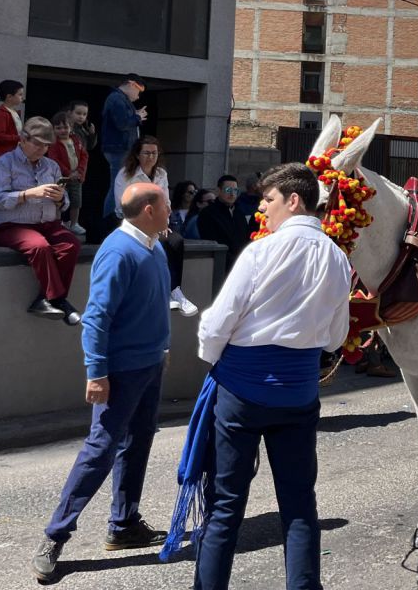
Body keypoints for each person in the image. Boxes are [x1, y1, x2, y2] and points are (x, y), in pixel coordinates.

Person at [163, 163, 351, 590]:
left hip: (242, 391)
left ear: (294, 200)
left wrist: (215, 362)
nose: (263, 208)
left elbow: (216, 324)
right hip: (299, 391)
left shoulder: (262, 252)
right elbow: (336, 336)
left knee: (227, 504)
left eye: (268, 200)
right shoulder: (338, 258)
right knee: (299, 502)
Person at [31, 182, 173, 583]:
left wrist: (161, 347)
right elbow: (96, 318)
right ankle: (55, 536)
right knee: (101, 450)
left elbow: (152, 302)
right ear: (148, 209)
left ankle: (124, 524)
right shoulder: (118, 251)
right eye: (164, 203)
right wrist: (96, 373)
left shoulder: (153, 245)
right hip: (121, 371)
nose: (170, 210)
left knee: (138, 441)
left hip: (149, 365)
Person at [0, 116, 82, 325]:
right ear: (22, 139)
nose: (41, 150)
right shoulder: (4, 163)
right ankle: (59, 301)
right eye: (37, 144)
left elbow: (64, 203)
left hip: (47, 223)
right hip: (10, 225)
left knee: (71, 244)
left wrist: (60, 199)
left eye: (46, 146)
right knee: (39, 246)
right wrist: (28, 194)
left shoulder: (52, 166)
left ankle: (46, 299)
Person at [113, 137, 197, 317]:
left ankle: (175, 291)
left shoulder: (161, 174)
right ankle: (164, 291)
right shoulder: (125, 174)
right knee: (159, 245)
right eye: (146, 153)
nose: (151, 157)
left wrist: (163, 223)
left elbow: (165, 202)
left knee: (175, 241)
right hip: (133, 222)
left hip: (156, 221)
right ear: (137, 154)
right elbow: (122, 206)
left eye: (154, 153)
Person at [101, 74, 148, 217]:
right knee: (117, 186)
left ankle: (111, 219)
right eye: (139, 91)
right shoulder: (117, 98)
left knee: (119, 185)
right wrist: (137, 117)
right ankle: (109, 220)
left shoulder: (118, 99)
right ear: (132, 84)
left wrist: (135, 116)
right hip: (119, 148)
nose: (138, 96)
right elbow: (122, 123)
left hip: (121, 148)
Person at [195, 175, 251, 271]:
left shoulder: (239, 213)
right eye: (228, 190)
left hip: (241, 265)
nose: (232, 194)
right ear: (218, 190)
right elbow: (210, 241)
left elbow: (245, 239)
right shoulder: (208, 213)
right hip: (218, 266)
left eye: (235, 191)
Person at [64, 101, 95, 231]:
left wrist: (92, 134)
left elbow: (88, 149)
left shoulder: (82, 130)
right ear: (70, 113)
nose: (81, 117)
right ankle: (59, 221)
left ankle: (73, 223)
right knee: (60, 198)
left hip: (77, 171)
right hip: (63, 170)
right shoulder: (64, 128)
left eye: (84, 114)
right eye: (78, 113)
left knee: (76, 199)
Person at [0, 79, 26, 163]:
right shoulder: (1, 115)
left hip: (12, 156)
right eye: (20, 94)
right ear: (9, 97)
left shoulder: (14, 113)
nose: (22, 97)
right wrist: (19, 138)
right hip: (3, 157)